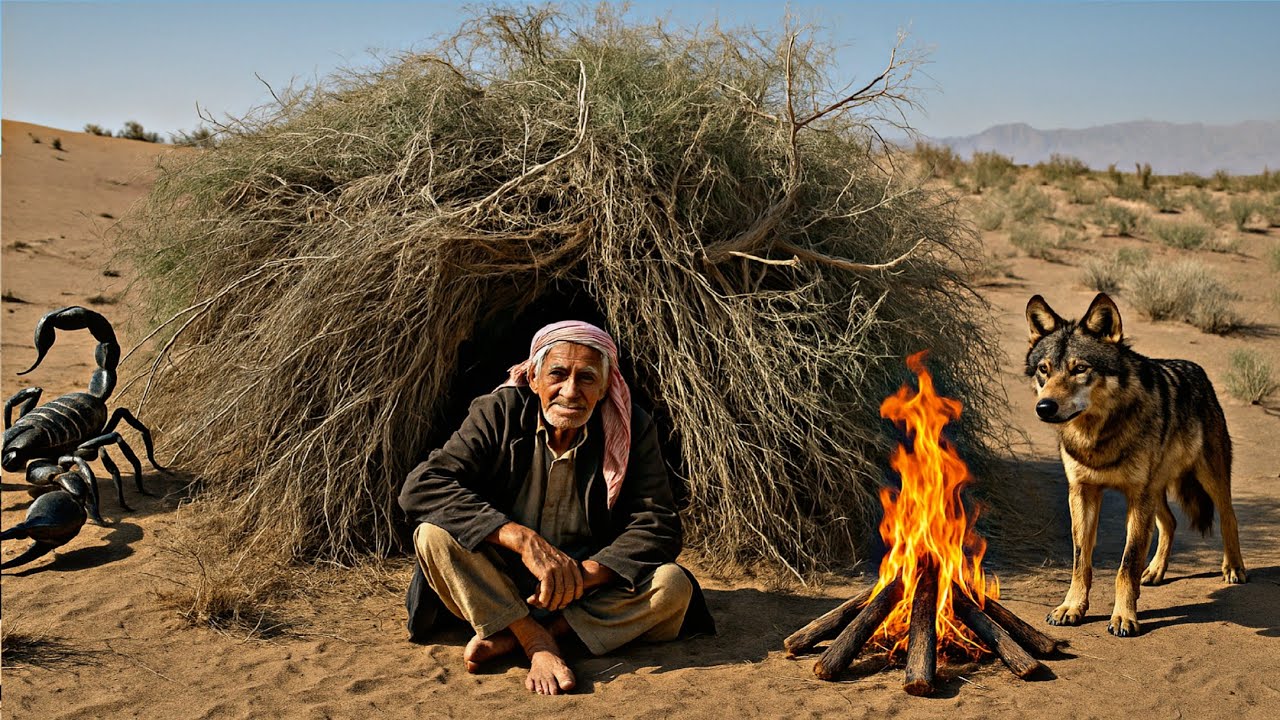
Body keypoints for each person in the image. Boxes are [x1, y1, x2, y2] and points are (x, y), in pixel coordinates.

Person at [399, 321, 713, 695]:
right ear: (533, 377)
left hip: (584, 588)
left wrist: (582, 575)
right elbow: (423, 486)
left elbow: (657, 523)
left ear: (604, 386)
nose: (570, 391)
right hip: (498, 578)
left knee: (672, 586)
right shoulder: (498, 413)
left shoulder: (633, 428)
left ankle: (525, 635)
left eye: (586, 378)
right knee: (433, 536)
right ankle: (535, 641)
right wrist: (522, 540)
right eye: (558, 375)